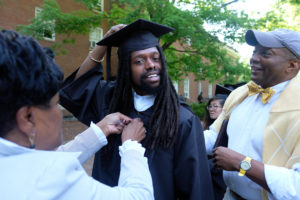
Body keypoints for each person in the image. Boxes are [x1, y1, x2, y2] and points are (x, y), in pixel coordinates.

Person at [60, 18, 213, 200]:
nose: (150, 65)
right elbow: (78, 87)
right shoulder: (111, 101)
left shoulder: (181, 119)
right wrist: (104, 43)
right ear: (126, 68)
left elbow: (196, 188)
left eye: (155, 58)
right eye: (139, 61)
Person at [0, 30, 154, 200]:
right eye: (55, 104)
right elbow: (139, 197)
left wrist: (100, 130)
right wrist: (131, 146)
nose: (59, 112)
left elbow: (50, 157)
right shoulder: (50, 180)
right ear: (28, 118)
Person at [205, 28, 300, 199]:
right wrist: (174, 133)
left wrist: (241, 163)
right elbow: (215, 136)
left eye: (266, 53)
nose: (253, 58)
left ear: (292, 65)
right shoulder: (241, 95)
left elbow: (296, 186)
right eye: (255, 51)